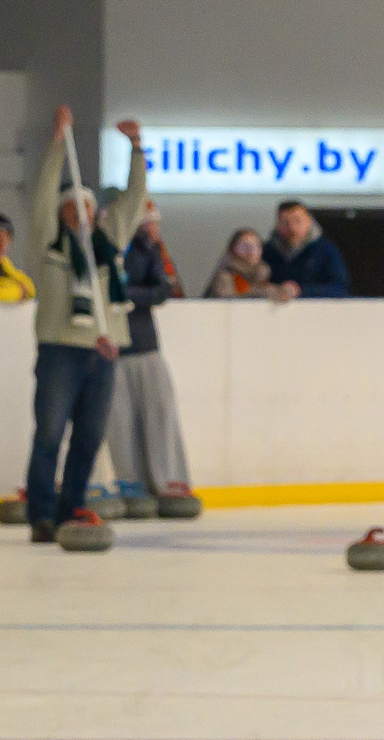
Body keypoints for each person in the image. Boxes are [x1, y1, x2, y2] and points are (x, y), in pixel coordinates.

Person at [21, 105, 148, 543]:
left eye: (88, 206)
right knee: (51, 433)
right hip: (60, 349)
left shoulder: (109, 248)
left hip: (104, 350)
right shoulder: (49, 247)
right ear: (61, 214)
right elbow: (40, 197)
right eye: (72, 207)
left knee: (90, 437)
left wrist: (136, 149)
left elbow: (133, 203)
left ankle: (72, 508)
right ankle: (40, 514)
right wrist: (58, 144)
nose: (82, 213)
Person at [104, 196, 196, 505]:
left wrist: (127, 296)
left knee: (159, 414)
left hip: (144, 344)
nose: (154, 228)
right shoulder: (102, 247)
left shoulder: (148, 249)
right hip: (112, 348)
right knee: (119, 423)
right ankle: (131, 482)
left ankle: (168, 478)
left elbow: (162, 289)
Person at [262, 199, 349, 297]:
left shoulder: (326, 250)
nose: (292, 228)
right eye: (285, 222)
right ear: (278, 225)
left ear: (309, 222)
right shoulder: (266, 252)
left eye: (297, 221)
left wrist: (300, 291)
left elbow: (340, 289)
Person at [207, 226, 275, 298]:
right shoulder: (226, 275)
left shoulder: (264, 274)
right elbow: (227, 302)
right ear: (233, 248)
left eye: (256, 245)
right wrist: (259, 294)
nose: (251, 250)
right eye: (244, 245)